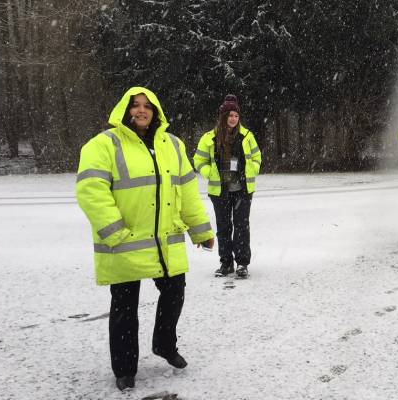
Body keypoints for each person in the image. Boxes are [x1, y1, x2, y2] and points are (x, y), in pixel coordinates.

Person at [76, 87, 215, 391]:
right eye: (135, 106)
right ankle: (125, 369)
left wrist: (201, 230)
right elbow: (90, 190)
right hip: (125, 242)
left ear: (156, 111)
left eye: (146, 106)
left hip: (166, 240)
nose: (141, 111)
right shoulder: (103, 145)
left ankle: (164, 344)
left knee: (175, 291)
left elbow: (188, 191)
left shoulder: (173, 145)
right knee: (125, 306)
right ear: (124, 111)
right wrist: (114, 231)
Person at [193, 95, 262, 278]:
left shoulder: (247, 137)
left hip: (242, 190)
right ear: (223, 117)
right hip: (220, 191)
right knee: (223, 228)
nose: (233, 119)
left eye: (236, 116)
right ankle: (226, 264)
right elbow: (199, 161)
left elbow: (257, 158)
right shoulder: (209, 138)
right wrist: (210, 173)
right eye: (230, 115)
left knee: (241, 227)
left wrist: (252, 170)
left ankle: (242, 264)